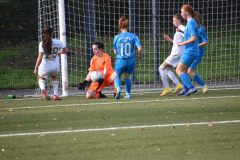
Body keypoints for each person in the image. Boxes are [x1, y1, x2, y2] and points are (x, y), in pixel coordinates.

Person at [34, 26, 69, 100]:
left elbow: (40, 57)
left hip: (44, 66)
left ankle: (43, 90)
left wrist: (36, 67)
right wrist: (60, 52)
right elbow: (66, 51)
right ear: (52, 33)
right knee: (54, 77)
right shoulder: (58, 42)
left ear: (43, 33)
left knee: (41, 77)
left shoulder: (42, 43)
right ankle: (55, 95)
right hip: (55, 66)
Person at [113, 16, 142, 100]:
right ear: (128, 26)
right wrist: (139, 55)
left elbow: (115, 52)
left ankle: (118, 89)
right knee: (127, 76)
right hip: (131, 61)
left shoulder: (116, 37)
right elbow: (139, 48)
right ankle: (128, 94)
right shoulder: (133, 36)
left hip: (120, 60)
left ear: (119, 25)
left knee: (117, 75)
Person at [159, 14, 185, 96]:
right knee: (165, 69)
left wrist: (181, 31)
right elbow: (177, 42)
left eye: (174, 20)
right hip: (178, 53)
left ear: (179, 20)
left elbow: (188, 33)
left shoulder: (181, 28)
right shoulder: (179, 29)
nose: (173, 22)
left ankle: (167, 88)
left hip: (176, 53)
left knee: (161, 68)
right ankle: (178, 85)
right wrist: (169, 39)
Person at [176, 4, 200, 96]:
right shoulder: (191, 22)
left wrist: (181, 43)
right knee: (184, 70)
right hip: (191, 50)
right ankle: (186, 89)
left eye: (182, 12)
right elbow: (190, 35)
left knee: (178, 70)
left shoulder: (191, 23)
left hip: (191, 51)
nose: (181, 14)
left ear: (186, 12)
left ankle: (191, 87)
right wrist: (182, 32)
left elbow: (193, 38)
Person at [187, 11, 209, 93]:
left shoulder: (201, 28)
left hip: (198, 53)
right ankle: (188, 88)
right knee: (185, 69)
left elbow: (206, 41)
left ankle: (203, 85)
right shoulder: (191, 26)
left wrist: (197, 45)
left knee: (189, 70)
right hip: (190, 52)